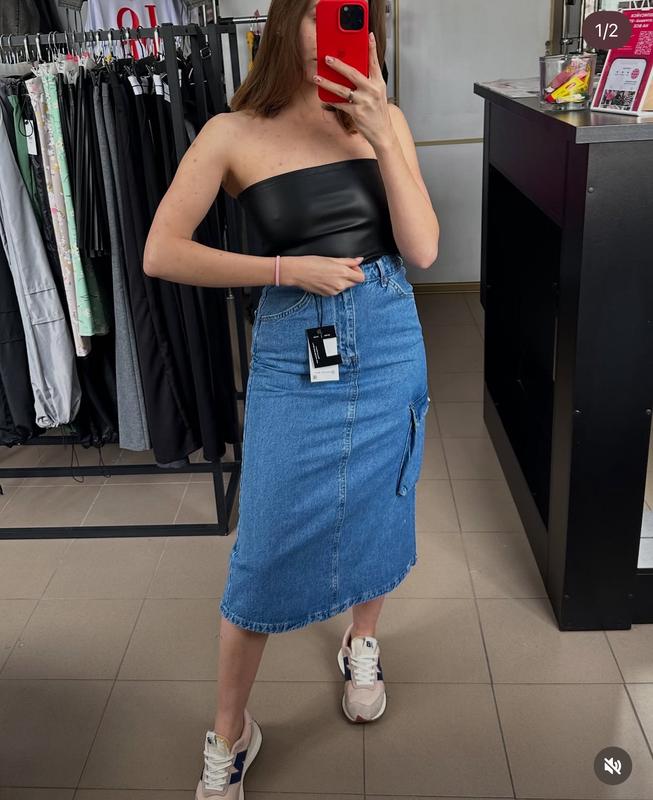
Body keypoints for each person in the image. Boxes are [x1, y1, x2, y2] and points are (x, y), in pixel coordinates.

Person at [143, 0, 439, 797]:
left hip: (387, 331)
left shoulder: (384, 120)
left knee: (382, 497)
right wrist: (283, 269)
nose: (331, 33)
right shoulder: (230, 133)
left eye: (350, 14)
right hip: (294, 339)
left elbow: (421, 248)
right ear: (284, 24)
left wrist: (380, 132)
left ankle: (361, 642)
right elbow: (162, 252)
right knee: (266, 540)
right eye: (315, 13)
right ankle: (231, 731)